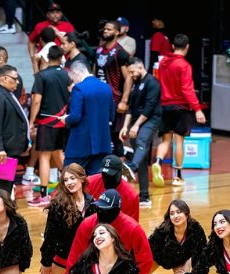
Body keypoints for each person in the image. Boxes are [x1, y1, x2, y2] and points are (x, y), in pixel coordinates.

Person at [24, 164, 95, 274]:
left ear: (82, 179)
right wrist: (46, 262)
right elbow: (50, 236)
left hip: (82, 262)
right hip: (60, 260)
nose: (70, 182)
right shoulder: (58, 204)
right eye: (66, 180)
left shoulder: (92, 203)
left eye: (73, 178)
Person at [151, 34, 207, 185]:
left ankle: (158, 162)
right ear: (187, 47)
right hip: (180, 107)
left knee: (166, 139)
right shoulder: (184, 66)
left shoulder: (163, 64)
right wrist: (197, 109)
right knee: (179, 140)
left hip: (165, 106)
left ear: (173, 46)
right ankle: (178, 176)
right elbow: (187, 90)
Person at [28, 46, 70, 207]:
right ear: (61, 58)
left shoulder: (42, 76)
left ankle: (44, 195)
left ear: (46, 57)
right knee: (59, 154)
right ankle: (73, 186)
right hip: (64, 120)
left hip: (47, 121)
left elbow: (36, 101)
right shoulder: (67, 74)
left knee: (44, 156)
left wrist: (31, 122)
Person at [121, 57, 162, 206]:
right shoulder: (135, 83)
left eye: (132, 71)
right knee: (143, 158)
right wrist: (126, 126)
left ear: (140, 66)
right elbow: (131, 107)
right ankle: (144, 196)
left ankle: (132, 167)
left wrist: (136, 125)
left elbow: (149, 107)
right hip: (136, 121)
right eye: (129, 73)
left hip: (150, 120)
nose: (131, 75)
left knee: (141, 141)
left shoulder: (152, 83)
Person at [0, 64, 30, 197]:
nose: (17, 81)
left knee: (6, 188)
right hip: (2, 151)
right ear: (4, 79)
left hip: (9, 149)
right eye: (14, 79)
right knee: (1, 190)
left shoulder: (7, 93)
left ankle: (6, 214)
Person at [61, 61, 114, 174]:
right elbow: (111, 115)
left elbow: (75, 117)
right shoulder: (106, 88)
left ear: (76, 73)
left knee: (68, 175)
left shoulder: (79, 88)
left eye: (72, 78)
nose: (73, 81)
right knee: (95, 182)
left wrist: (66, 119)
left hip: (81, 143)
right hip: (102, 142)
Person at [95, 20, 132, 156]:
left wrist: (124, 100)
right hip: (98, 99)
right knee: (99, 133)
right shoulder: (98, 51)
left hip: (114, 99)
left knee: (114, 135)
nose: (105, 31)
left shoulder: (120, 52)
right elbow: (95, 72)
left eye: (109, 29)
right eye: (105, 29)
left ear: (117, 32)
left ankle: (120, 168)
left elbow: (128, 77)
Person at [87, 154, 139, 222]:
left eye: (110, 175)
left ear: (120, 173)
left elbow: (132, 225)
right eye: (104, 174)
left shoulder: (131, 196)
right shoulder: (89, 183)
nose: (106, 179)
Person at [27, 2, 74, 67]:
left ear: (61, 14)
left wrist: (58, 33)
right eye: (52, 12)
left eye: (57, 12)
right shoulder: (40, 26)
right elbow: (31, 41)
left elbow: (73, 44)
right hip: (44, 62)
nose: (55, 15)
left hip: (63, 62)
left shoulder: (68, 26)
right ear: (47, 14)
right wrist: (32, 57)